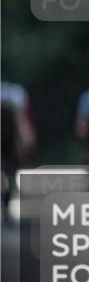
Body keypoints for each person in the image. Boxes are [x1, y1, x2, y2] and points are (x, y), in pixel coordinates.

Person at [1, 81, 35, 222]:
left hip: (10, 144)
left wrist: (24, 145)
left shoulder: (17, 112)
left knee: (9, 172)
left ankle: (7, 203)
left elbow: (24, 127)